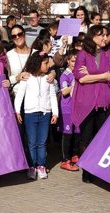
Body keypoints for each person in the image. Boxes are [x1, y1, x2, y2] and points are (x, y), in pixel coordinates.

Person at [72, 25, 110, 183]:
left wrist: (93, 74)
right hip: (86, 102)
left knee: (100, 138)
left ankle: (97, 169)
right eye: (101, 35)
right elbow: (81, 78)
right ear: (93, 37)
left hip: (103, 102)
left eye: (106, 35)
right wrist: (102, 75)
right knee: (86, 137)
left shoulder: (109, 53)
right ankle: (86, 170)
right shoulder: (83, 54)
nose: (105, 38)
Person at [14, 51, 58, 180]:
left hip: (45, 113)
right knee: (32, 142)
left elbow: (52, 96)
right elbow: (20, 96)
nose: (48, 66)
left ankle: (41, 165)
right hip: (30, 114)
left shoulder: (48, 78)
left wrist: (55, 112)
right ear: (38, 64)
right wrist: (17, 111)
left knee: (42, 141)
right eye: (45, 63)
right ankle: (32, 165)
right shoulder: (27, 77)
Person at [58, 51, 80, 172]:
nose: (75, 63)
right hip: (67, 109)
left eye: (77, 61)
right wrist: (76, 83)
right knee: (67, 134)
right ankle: (64, 159)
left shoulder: (79, 73)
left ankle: (74, 155)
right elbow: (64, 92)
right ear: (68, 61)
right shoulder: (65, 75)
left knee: (77, 133)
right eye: (72, 61)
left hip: (78, 109)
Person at [7, 25, 31, 97]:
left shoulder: (35, 53)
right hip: (17, 96)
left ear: (24, 35)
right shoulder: (9, 55)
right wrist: (17, 77)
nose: (17, 37)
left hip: (34, 97)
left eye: (19, 34)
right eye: (14, 36)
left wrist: (53, 72)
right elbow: (6, 79)